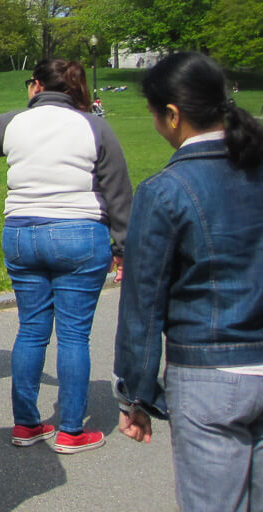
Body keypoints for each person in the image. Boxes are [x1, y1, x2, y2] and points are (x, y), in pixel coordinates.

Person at [0, 59, 132, 453]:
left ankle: (26, 423)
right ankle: (71, 429)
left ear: (36, 86)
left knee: (31, 329)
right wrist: (122, 249)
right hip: (78, 233)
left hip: (22, 233)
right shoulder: (95, 126)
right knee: (73, 335)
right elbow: (119, 192)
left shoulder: (14, 123)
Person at [114, 52, 263, 512]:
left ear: (173, 115)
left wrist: (136, 392)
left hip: (209, 375)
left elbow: (143, 301)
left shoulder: (165, 190)